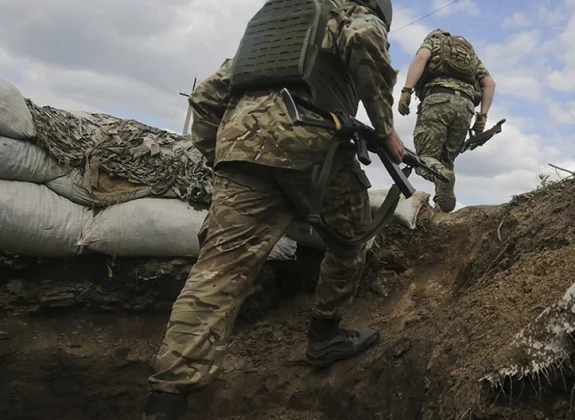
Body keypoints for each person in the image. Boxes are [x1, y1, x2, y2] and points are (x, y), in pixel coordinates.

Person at [142, 1, 402, 419]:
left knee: (215, 277)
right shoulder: (355, 16)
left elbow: (206, 97)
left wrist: (226, 156)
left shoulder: (272, 33)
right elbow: (363, 38)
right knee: (351, 240)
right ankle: (325, 336)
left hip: (239, 153)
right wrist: (386, 132)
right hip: (314, 147)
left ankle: (167, 400)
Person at [397, 29, 496, 213]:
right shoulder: (470, 55)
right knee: (447, 161)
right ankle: (441, 211)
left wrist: (406, 91)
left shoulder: (434, 42)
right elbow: (489, 83)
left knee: (425, 159)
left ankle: (443, 177)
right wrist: (482, 116)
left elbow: (420, 59)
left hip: (438, 99)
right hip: (466, 107)